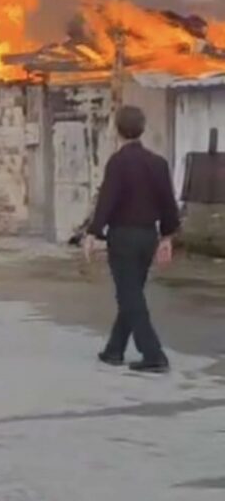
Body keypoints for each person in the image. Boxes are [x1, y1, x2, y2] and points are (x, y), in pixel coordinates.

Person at [85, 104, 178, 374]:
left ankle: (153, 354)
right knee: (132, 293)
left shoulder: (118, 162)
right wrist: (167, 237)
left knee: (129, 295)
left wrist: (93, 232)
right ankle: (114, 350)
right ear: (142, 128)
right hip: (148, 235)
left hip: (123, 236)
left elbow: (108, 199)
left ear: (117, 130)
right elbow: (168, 203)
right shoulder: (158, 163)